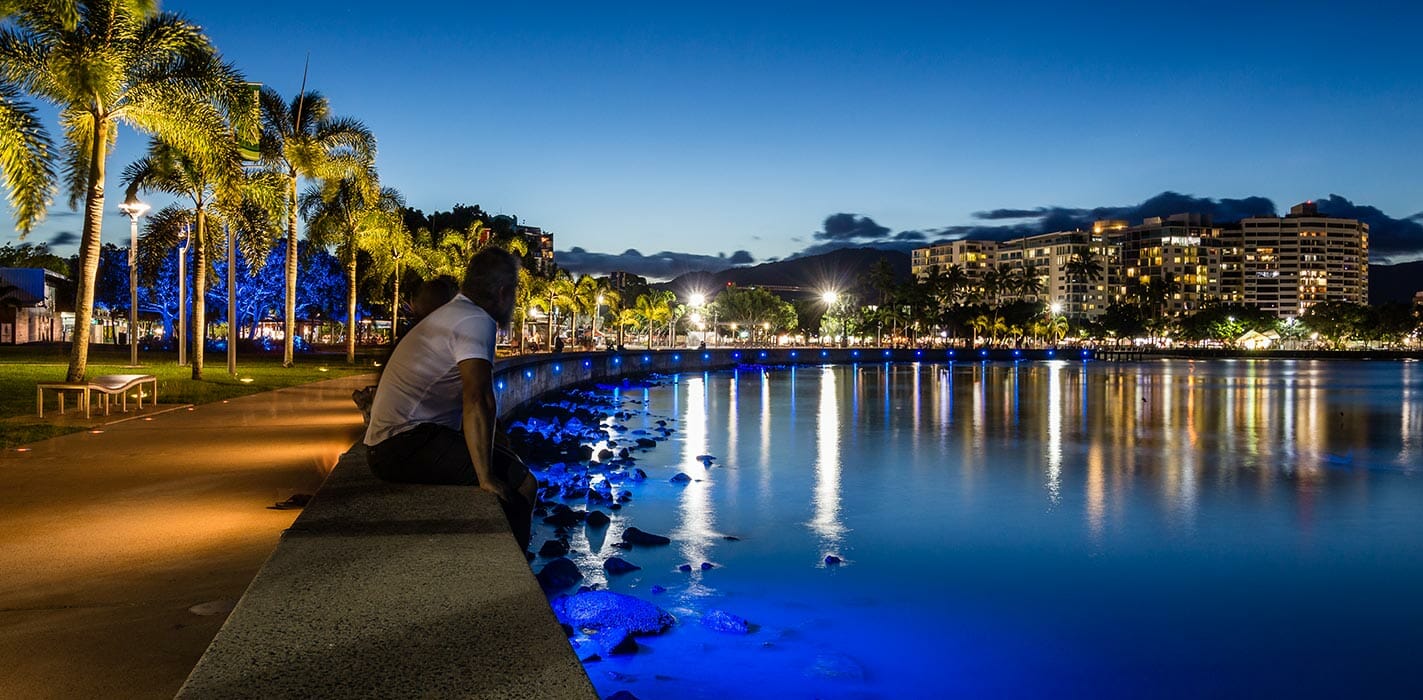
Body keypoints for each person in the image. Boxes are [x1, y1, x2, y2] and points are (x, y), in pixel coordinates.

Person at [363, 248, 537, 551]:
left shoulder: (457, 311)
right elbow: (478, 397)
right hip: (404, 444)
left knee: (508, 465)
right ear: (503, 292)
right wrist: (485, 477)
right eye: (515, 293)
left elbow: (476, 402)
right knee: (523, 484)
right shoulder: (476, 320)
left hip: (395, 442)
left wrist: (499, 444)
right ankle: (516, 572)